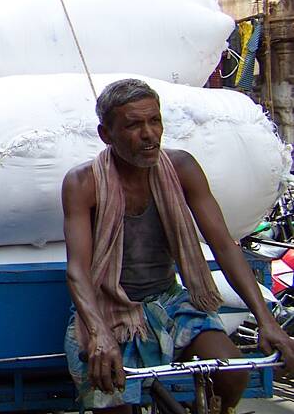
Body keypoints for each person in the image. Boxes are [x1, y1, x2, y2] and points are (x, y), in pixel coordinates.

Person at [61, 78, 294, 413]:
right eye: (133, 125)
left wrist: (267, 322)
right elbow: (78, 270)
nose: (149, 134)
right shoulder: (83, 183)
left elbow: (224, 246)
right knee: (111, 398)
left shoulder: (182, 167)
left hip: (169, 303)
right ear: (106, 135)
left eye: (154, 121)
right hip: (105, 310)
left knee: (232, 371)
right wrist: (98, 333)